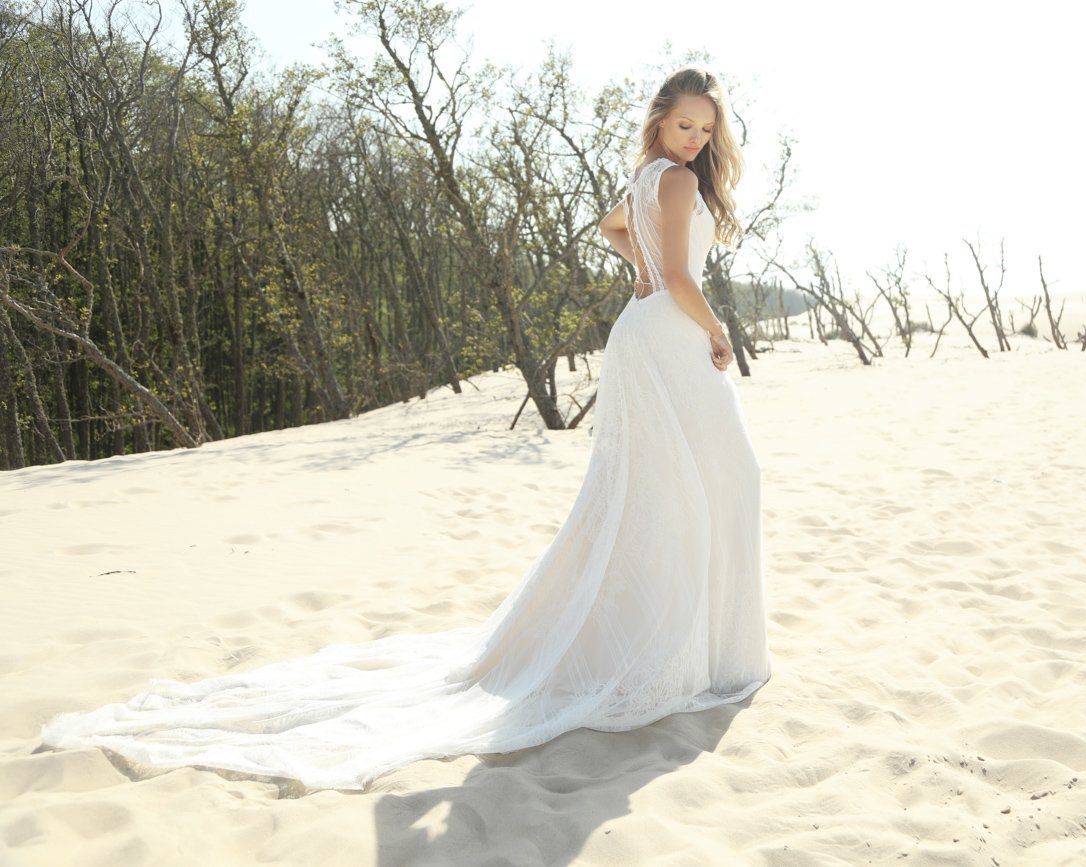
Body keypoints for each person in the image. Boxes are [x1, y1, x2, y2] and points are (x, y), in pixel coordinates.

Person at [38, 66, 771, 792]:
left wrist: (642, 270)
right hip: (672, 335)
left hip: (645, 334)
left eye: (706, 130)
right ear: (659, 119)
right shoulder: (673, 181)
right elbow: (679, 278)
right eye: (684, 125)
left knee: (666, 492)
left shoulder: (651, 178)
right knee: (721, 480)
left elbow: (616, 230)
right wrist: (716, 329)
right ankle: (702, 656)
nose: (695, 139)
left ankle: (681, 646)